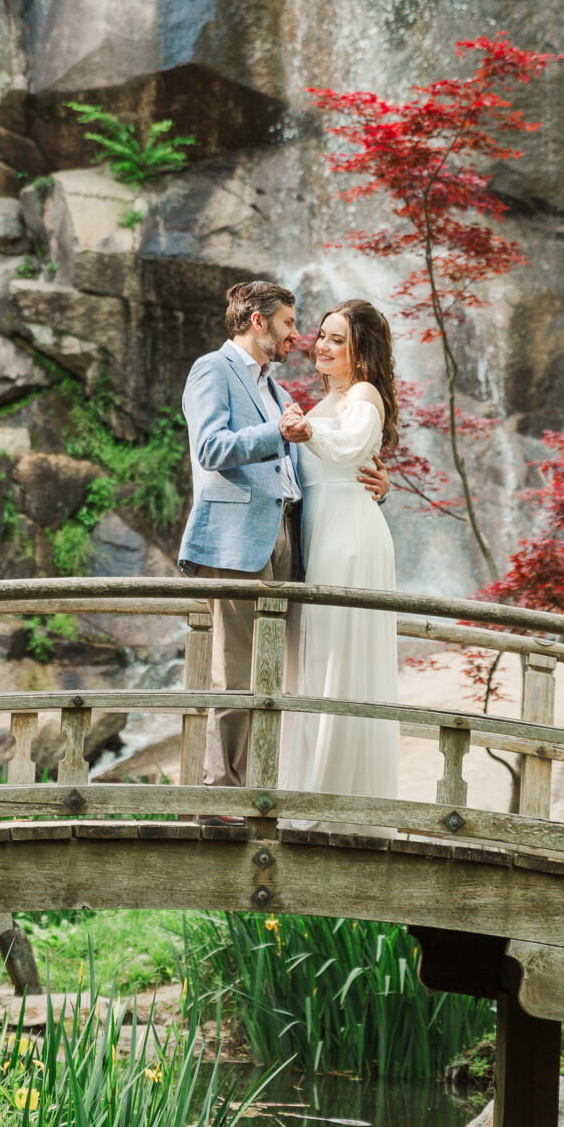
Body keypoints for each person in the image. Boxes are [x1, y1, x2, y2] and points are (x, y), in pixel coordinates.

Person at [180, 280, 389, 787]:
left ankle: (262, 784)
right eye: (291, 325)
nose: (302, 338)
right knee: (233, 671)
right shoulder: (213, 369)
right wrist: (279, 432)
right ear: (259, 321)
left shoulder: (277, 391)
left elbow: (322, 463)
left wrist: (377, 487)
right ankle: (221, 794)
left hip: (291, 540)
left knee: (274, 671)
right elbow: (210, 448)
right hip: (236, 537)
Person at [277, 299, 401, 802]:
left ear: (361, 352)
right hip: (324, 531)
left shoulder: (364, 393)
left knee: (338, 662)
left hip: (348, 539)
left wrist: (307, 432)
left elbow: (351, 448)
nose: (321, 346)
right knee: (320, 661)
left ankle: (333, 801)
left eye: (336, 339)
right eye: (321, 335)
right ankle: (311, 792)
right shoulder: (326, 400)